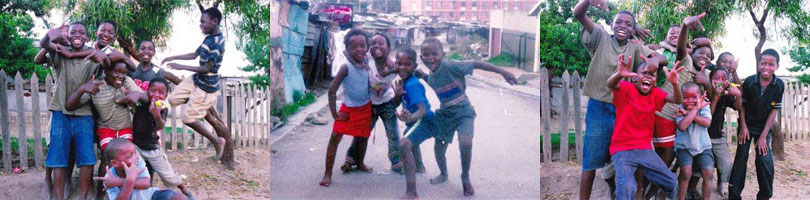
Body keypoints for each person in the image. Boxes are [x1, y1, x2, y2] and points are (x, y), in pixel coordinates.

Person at [572, 0, 658, 198]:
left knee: (631, 157)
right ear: (612, 25)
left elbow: (658, 58)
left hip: (625, 110)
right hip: (600, 107)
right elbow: (579, 14)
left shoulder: (635, 48)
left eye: (628, 24)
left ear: (633, 29)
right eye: (619, 22)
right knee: (590, 161)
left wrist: (653, 61)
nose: (623, 26)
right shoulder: (601, 37)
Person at [415, 37, 517, 196]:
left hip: (464, 113)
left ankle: (465, 177)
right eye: (426, 55)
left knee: (466, 143)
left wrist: (504, 72)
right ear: (421, 58)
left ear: (443, 54)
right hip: (445, 115)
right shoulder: (432, 75)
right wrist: (423, 77)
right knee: (439, 147)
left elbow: (478, 64)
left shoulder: (451, 65)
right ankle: (443, 174)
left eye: (434, 53)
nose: (430, 58)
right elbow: (435, 82)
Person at [341, 33, 425, 173]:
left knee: (393, 135)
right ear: (369, 48)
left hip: (387, 103)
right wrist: (356, 64)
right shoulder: (367, 59)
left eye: (381, 43)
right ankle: (350, 159)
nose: (376, 46)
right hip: (370, 104)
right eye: (373, 43)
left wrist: (418, 73)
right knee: (362, 133)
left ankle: (396, 163)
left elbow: (406, 69)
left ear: (388, 47)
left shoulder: (394, 64)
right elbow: (345, 52)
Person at [39, 21, 103, 200]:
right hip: (60, 112)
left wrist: (98, 55)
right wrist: (51, 34)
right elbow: (45, 44)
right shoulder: (59, 52)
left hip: (84, 113)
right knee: (58, 157)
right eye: (73, 32)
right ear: (68, 35)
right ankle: (59, 197)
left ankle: (82, 196)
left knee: (87, 157)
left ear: (88, 38)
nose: (77, 35)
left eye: (82, 33)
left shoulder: (91, 57)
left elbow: (104, 58)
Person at [607, 53, 683, 200]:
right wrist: (619, 74)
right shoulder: (626, 89)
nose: (648, 76)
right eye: (644, 73)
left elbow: (676, 99)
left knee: (671, 181)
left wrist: (674, 83)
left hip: (644, 149)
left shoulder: (656, 94)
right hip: (622, 148)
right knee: (627, 187)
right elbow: (610, 84)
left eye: (652, 75)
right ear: (635, 77)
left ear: (655, 81)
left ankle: (661, 196)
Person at [161, 7, 227, 160]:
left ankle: (217, 141)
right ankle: (196, 105)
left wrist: (181, 67)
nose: (200, 25)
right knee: (172, 100)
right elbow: (194, 54)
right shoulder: (209, 37)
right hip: (196, 79)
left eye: (203, 22)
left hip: (206, 87)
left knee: (187, 119)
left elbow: (206, 68)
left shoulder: (218, 43)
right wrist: (172, 58)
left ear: (214, 21)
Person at [319, 28, 374, 187]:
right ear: (347, 49)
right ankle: (327, 174)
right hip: (348, 110)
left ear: (366, 47)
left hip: (365, 108)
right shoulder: (345, 67)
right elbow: (331, 91)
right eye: (353, 46)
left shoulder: (366, 61)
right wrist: (335, 114)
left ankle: (360, 163)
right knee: (335, 138)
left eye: (362, 45)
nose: (359, 49)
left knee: (363, 137)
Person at [729, 49, 784, 200]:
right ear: (759, 64)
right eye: (763, 63)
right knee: (741, 158)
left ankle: (764, 196)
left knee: (764, 160)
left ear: (777, 66)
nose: (766, 67)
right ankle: (734, 195)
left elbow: (774, 111)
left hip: (763, 129)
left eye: (771, 64)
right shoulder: (750, 82)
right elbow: (743, 106)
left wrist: (763, 136)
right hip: (746, 126)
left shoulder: (779, 85)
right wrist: (744, 127)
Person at [131, 77, 194, 198]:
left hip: (153, 149)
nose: (156, 95)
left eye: (161, 93)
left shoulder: (163, 108)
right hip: (136, 147)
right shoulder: (141, 102)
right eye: (153, 90)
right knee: (138, 172)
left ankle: (185, 190)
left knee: (169, 177)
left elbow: (161, 125)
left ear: (165, 95)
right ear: (147, 90)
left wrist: (156, 115)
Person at [393, 47, 440, 199]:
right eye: (399, 63)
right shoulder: (403, 82)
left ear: (414, 66)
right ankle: (419, 166)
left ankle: (412, 192)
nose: (402, 67)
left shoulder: (412, 84)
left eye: (407, 64)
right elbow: (396, 104)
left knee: (404, 144)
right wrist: (398, 96)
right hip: (417, 120)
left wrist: (409, 118)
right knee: (409, 138)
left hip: (424, 120)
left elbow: (422, 110)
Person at [95, 138, 188, 200]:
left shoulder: (138, 163)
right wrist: (129, 180)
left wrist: (120, 181)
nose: (136, 157)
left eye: (135, 153)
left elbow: (146, 183)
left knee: (178, 197)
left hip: (151, 196)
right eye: (129, 156)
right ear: (115, 163)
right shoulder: (109, 178)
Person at [673, 82, 714, 200]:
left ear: (700, 96)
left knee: (708, 173)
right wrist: (694, 109)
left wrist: (689, 113)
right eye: (685, 97)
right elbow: (682, 126)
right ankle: (681, 198)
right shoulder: (679, 108)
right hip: (684, 147)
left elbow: (707, 122)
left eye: (694, 97)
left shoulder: (704, 106)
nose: (689, 100)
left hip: (703, 146)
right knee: (686, 172)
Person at [704, 68, 741, 197]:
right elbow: (708, 116)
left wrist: (738, 95)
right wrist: (715, 97)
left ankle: (722, 183)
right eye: (716, 79)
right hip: (702, 136)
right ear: (710, 80)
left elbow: (738, 107)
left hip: (717, 137)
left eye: (723, 79)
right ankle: (693, 188)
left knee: (726, 164)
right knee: (701, 166)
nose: (719, 82)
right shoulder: (705, 92)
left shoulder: (726, 96)